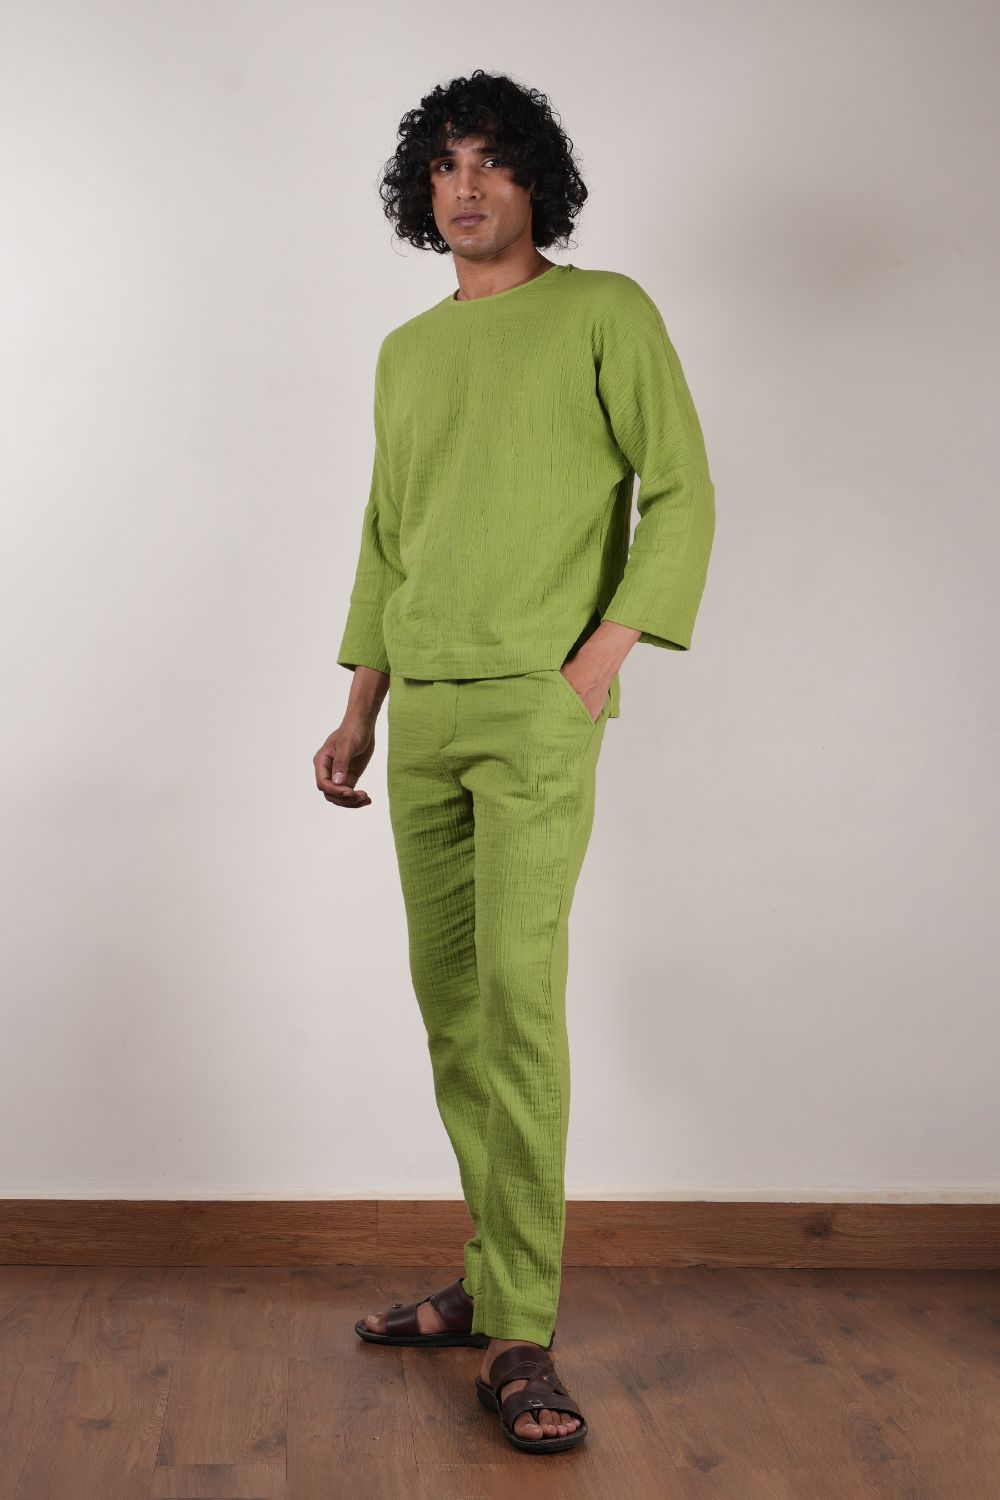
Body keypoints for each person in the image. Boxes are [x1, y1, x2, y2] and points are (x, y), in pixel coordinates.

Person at [313, 69, 716, 1455]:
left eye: (490, 159)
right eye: (443, 165)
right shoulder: (406, 353)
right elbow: (388, 535)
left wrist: (600, 659)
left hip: (539, 708)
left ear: (536, 177)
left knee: (518, 1006)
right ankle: (488, 1282)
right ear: (420, 192)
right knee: (451, 1011)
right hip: (421, 710)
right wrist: (360, 709)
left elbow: (682, 489)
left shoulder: (606, 312)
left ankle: (523, 1330)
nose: (467, 185)